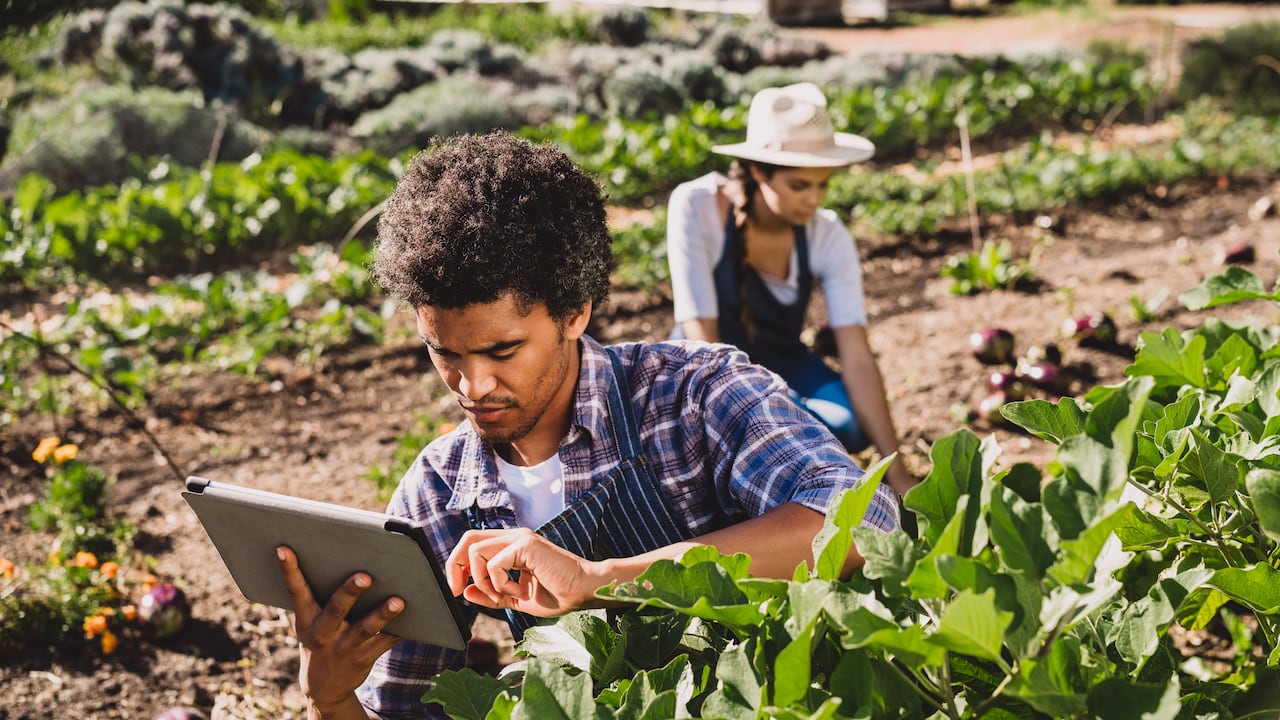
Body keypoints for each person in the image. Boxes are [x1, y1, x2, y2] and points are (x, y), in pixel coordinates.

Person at [276, 132, 900, 720]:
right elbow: (404, 710)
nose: (473, 387)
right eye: (444, 353)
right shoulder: (442, 495)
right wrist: (330, 700)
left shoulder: (692, 395)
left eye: (501, 352)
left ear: (575, 312)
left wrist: (604, 580)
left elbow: (864, 520)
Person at [666, 81, 916, 499]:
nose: (814, 200)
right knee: (792, 427)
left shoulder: (827, 233)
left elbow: (856, 355)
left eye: (823, 185)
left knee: (847, 425)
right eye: (800, 186)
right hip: (706, 371)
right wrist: (777, 406)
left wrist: (900, 473)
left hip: (784, 359)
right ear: (759, 171)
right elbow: (702, 339)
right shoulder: (696, 207)